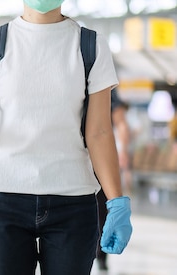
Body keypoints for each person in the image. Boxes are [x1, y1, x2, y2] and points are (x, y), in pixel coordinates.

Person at [0, 1, 133, 274]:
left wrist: (115, 200)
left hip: (72, 200)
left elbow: (99, 131)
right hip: (4, 198)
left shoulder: (91, 45)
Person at [96, 88, 131, 270]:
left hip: (100, 158)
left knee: (103, 207)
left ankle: (100, 254)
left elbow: (121, 123)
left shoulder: (108, 89)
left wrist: (123, 150)